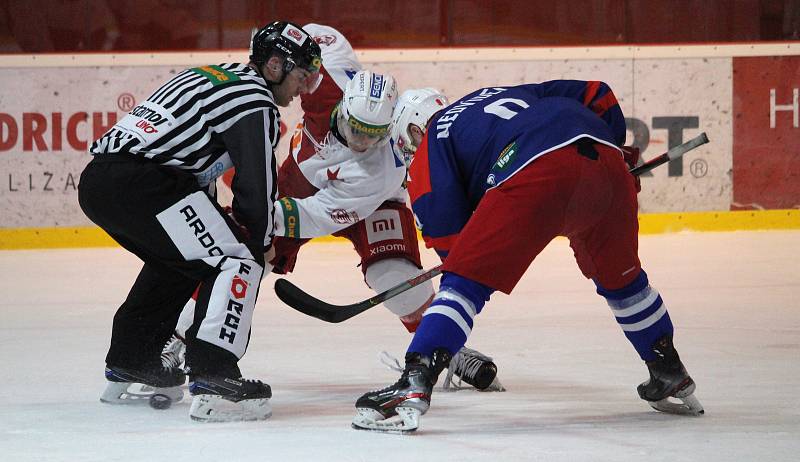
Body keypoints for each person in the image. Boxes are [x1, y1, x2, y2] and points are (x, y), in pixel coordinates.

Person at [164, 24, 503, 392]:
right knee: (247, 256)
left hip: (365, 204)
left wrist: (261, 216)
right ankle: (176, 339)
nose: (359, 142)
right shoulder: (325, 80)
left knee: (392, 273)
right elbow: (303, 38)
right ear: (342, 104)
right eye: (353, 128)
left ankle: (444, 346)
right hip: (296, 182)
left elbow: (315, 215)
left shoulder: (379, 171)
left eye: (370, 135)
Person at [352, 81, 704, 433]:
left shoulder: (433, 139)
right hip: (607, 165)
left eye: (408, 143)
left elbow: (451, 244)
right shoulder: (495, 97)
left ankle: (414, 382)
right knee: (624, 282)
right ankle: (669, 371)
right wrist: (612, 150)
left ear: (415, 128)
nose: (413, 150)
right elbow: (599, 94)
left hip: (531, 168)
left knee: (462, 285)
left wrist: (465, 257)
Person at [78, 21, 322, 422]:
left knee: (181, 261)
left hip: (101, 182)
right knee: (238, 260)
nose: (301, 91)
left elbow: (187, 166)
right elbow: (256, 188)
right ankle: (214, 375)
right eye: (300, 77)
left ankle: (133, 358)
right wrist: (259, 241)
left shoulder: (215, 76)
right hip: (146, 184)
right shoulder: (254, 100)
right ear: (275, 66)